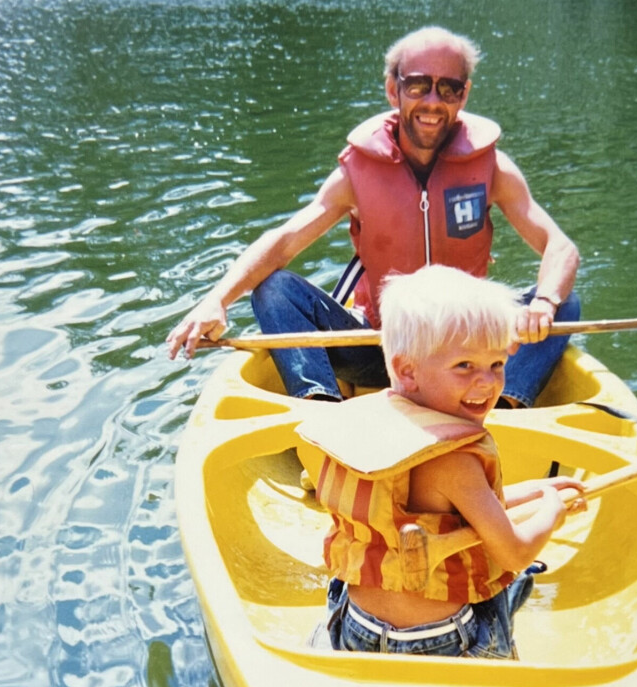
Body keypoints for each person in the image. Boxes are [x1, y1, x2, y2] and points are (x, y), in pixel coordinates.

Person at [166, 25, 580, 408]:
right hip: (382, 346)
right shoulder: (356, 173)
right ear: (392, 89)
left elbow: (559, 247)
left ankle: (504, 406)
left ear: (464, 95)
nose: (432, 102)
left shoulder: (493, 168)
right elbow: (284, 241)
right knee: (274, 290)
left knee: (565, 301)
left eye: (448, 88)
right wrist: (216, 300)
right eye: (418, 85)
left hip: (471, 351)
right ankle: (322, 410)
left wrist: (544, 301)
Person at [297, 265, 585, 658]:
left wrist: (538, 490)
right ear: (406, 370)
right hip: (441, 640)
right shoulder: (454, 460)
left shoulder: (368, 424)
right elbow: (514, 553)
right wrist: (552, 511)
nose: (486, 382)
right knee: (518, 578)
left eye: (497, 364)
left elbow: (448, 510)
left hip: (357, 628)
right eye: (464, 366)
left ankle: (330, 644)